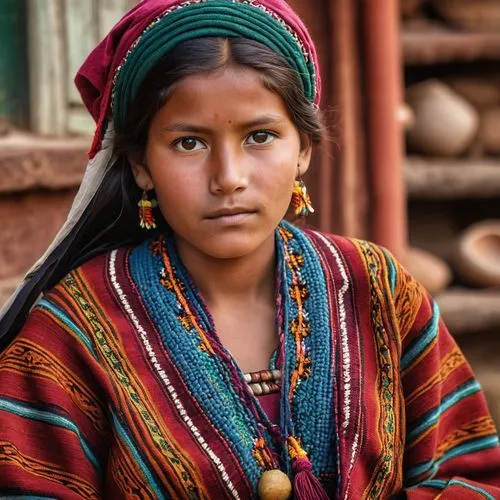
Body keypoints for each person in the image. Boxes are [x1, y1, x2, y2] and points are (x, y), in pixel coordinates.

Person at [0, 0, 499, 498]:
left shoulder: (376, 288)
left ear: (303, 148)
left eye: (260, 136)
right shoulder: (75, 330)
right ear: (141, 165)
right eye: (189, 143)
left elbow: (471, 474)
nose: (228, 178)